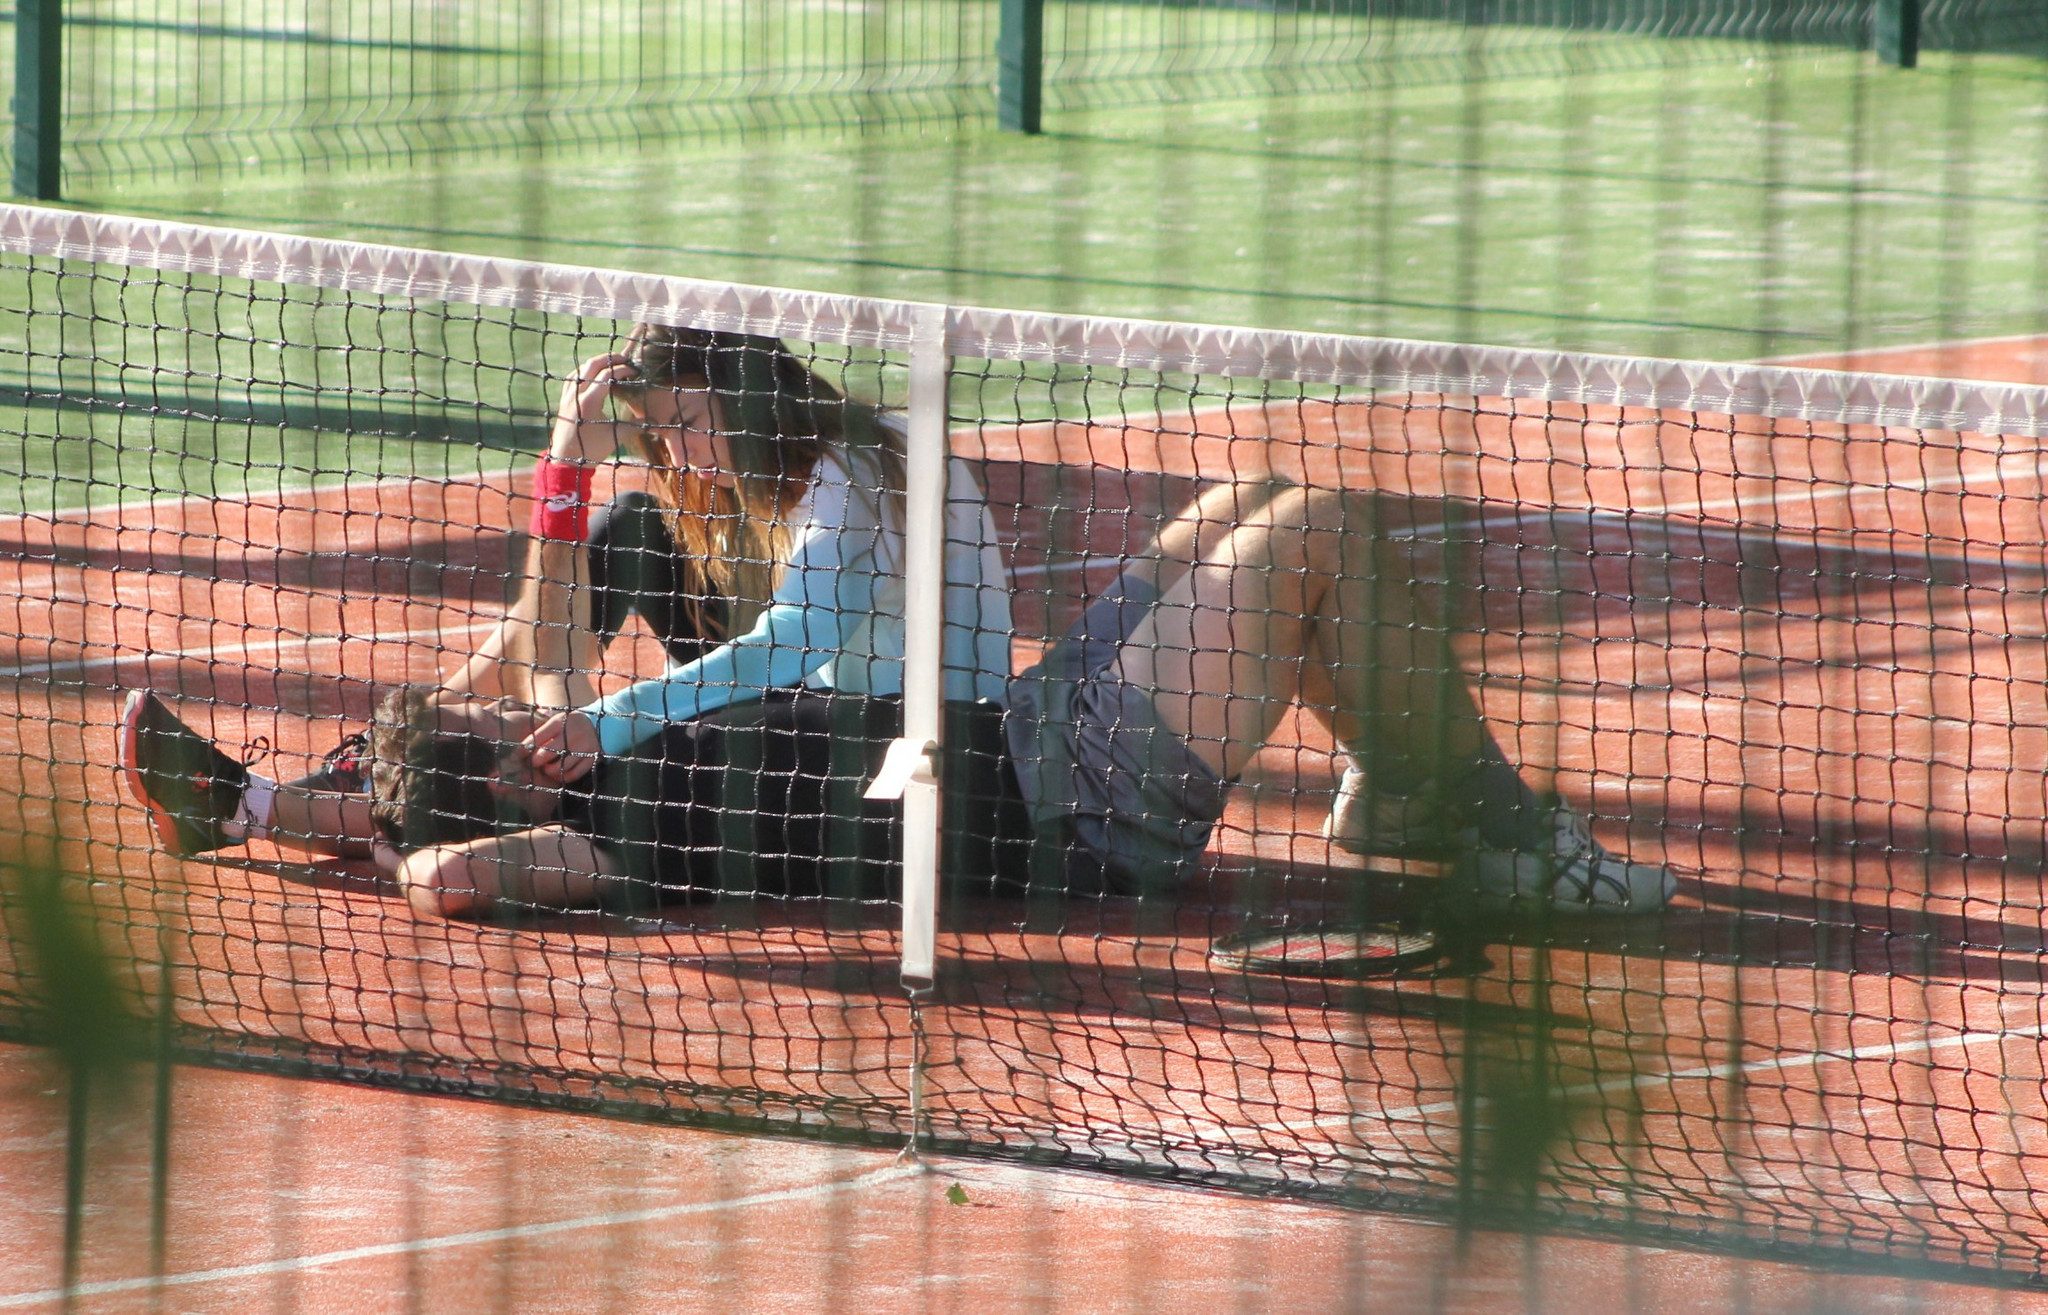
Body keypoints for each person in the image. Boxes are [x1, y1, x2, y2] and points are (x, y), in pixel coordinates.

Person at [123, 325, 1018, 918]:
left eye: (689, 423)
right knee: (619, 531)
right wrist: (562, 468)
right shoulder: (731, 482)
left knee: (595, 737)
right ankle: (372, 781)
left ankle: (318, 797)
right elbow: (539, 638)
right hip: (811, 701)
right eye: (658, 433)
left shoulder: (856, 467)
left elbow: (792, 640)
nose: (676, 451)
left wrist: (608, 715)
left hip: (904, 731)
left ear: (748, 396)